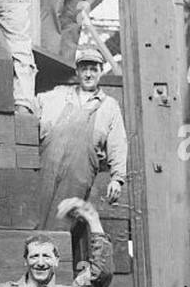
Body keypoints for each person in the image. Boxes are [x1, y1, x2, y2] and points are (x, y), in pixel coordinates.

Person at [36, 45, 128, 229]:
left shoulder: (109, 106)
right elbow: (31, 108)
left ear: (101, 72)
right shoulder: (58, 94)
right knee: (34, 217)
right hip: (46, 166)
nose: (88, 74)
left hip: (79, 174)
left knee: (61, 223)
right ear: (77, 72)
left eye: (93, 69)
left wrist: (117, 178)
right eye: (84, 69)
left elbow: (118, 143)